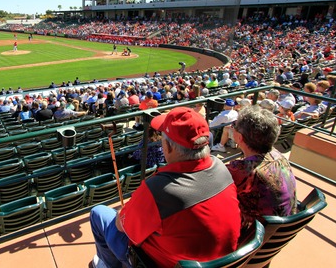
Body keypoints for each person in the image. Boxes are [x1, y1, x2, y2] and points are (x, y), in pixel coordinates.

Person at [90, 107, 241, 268]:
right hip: (223, 261)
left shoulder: (157, 190)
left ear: (168, 147)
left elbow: (122, 227)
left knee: (98, 213)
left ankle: (109, 265)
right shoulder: (221, 167)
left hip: (154, 263)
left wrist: (126, 212)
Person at [227, 105, 297, 229]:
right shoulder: (279, 156)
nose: (232, 127)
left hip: (254, 237)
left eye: (234, 125)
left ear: (240, 137)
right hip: (280, 229)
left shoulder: (241, 171)